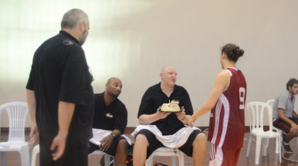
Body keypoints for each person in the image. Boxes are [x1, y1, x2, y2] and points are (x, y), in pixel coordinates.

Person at [26, 9, 93, 166]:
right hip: (70, 137)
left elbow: (31, 90)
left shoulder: (42, 48)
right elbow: (68, 96)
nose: (87, 33)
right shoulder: (74, 51)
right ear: (81, 26)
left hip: (48, 134)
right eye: (88, 29)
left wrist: (36, 121)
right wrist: (63, 134)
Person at [132, 66, 207, 166]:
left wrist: (183, 118)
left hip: (178, 133)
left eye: (175, 74)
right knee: (141, 137)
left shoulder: (181, 92)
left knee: (201, 136)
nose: (174, 76)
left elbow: (190, 120)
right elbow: (141, 120)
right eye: (170, 73)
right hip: (155, 132)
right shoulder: (151, 92)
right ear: (161, 76)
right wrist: (157, 116)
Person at [189, 44, 246, 166]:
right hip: (239, 129)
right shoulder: (241, 75)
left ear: (223, 55)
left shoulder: (224, 75)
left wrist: (193, 117)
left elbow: (210, 104)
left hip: (226, 130)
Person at [89, 77, 131, 166]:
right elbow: (81, 120)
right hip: (89, 137)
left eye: (120, 87)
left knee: (123, 142)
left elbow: (120, 128)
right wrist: (84, 136)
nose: (119, 88)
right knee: (76, 140)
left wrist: (111, 136)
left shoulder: (121, 107)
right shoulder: (92, 100)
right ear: (106, 85)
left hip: (109, 139)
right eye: (116, 85)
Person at [272, 78, 298, 153]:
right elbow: (281, 115)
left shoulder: (293, 96)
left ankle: (285, 136)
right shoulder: (283, 96)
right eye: (295, 87)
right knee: (294, 130)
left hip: (288, 118)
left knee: (296, 129)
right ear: (289, 87)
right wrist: (292, 124)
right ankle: (285, 142)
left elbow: (291, 110)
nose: (297, 89)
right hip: (278, 120)